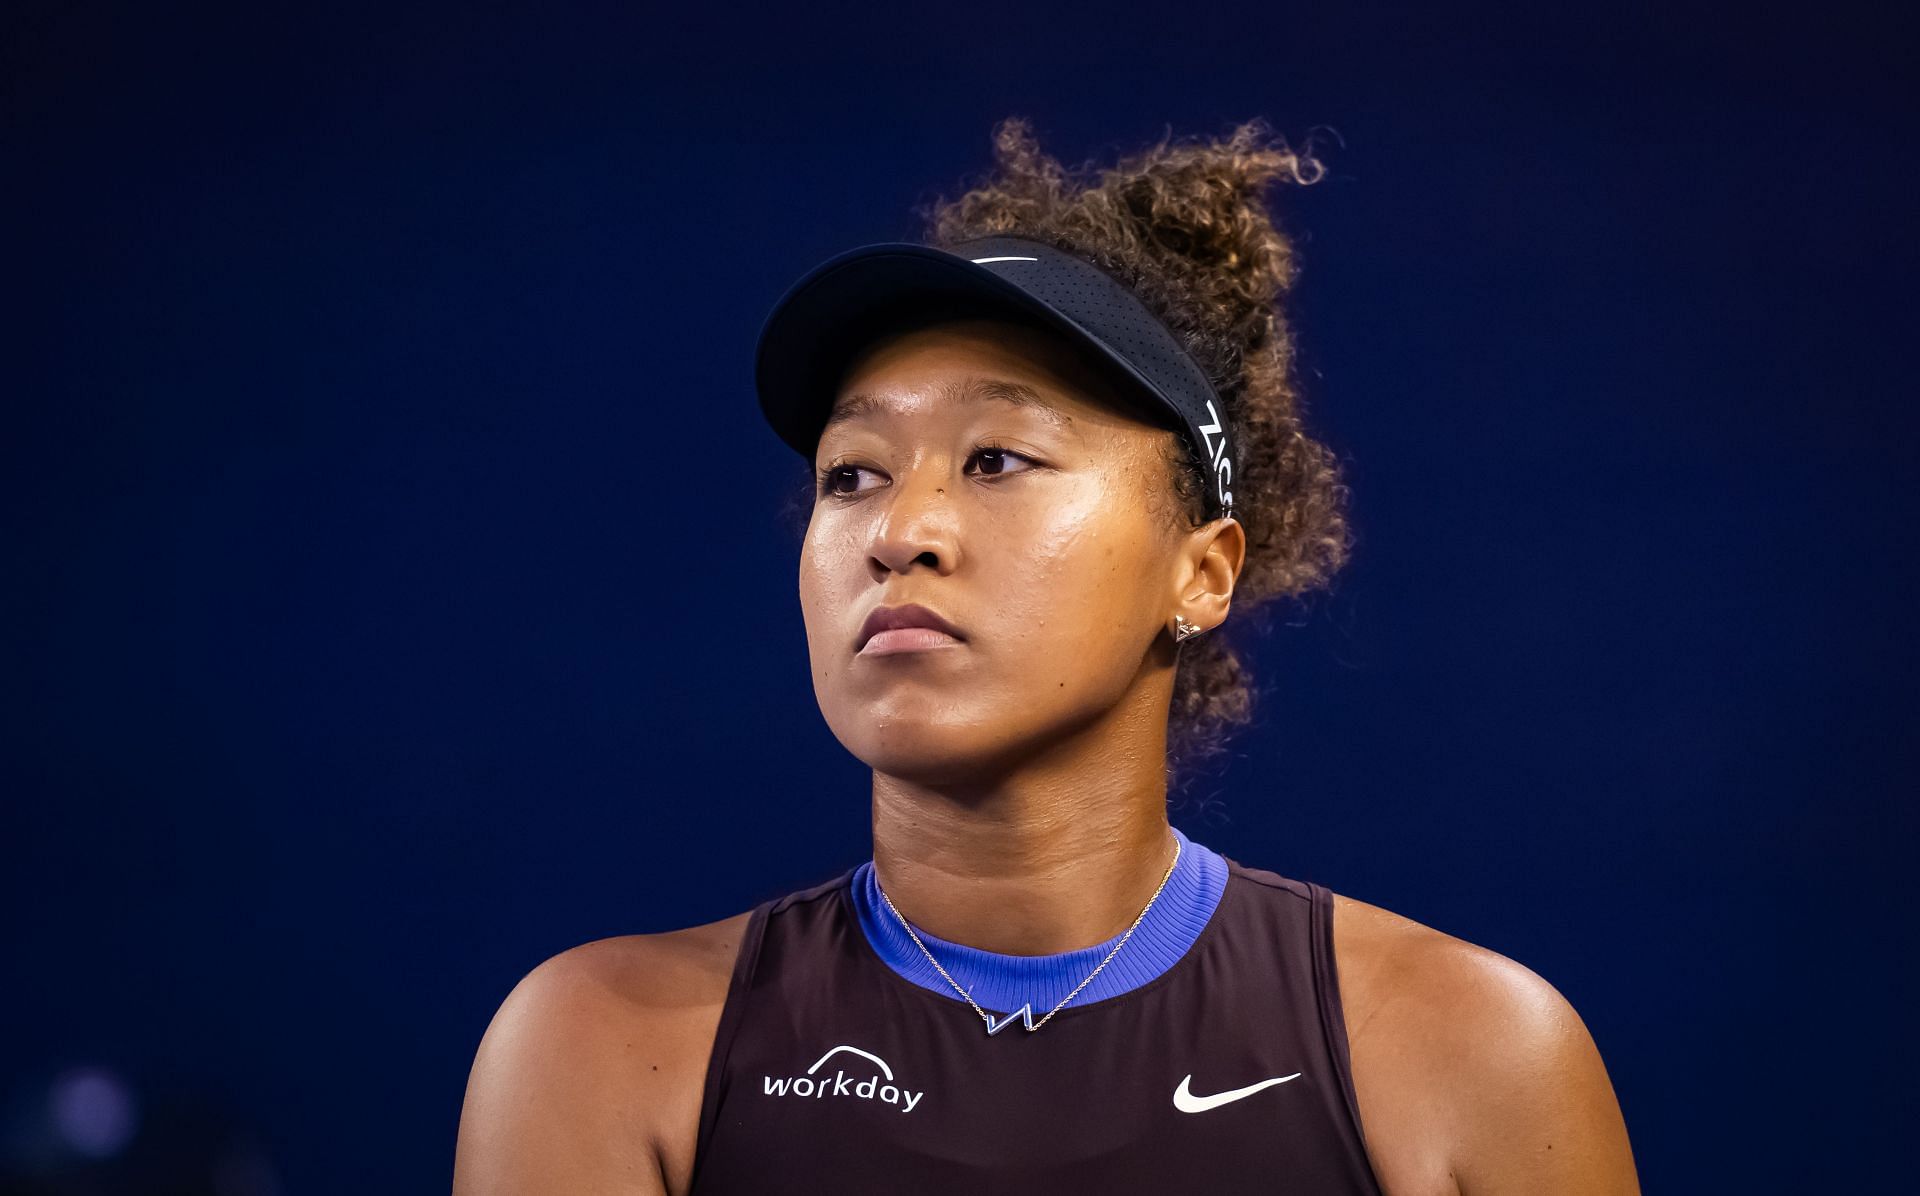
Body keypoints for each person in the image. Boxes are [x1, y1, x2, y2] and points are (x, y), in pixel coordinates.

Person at [451, 117, 1641, 1195]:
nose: (899, 531)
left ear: (1202, 570)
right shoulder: (599, 1048)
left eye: (997, 458)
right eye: (851, 474)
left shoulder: (1469, 1053)